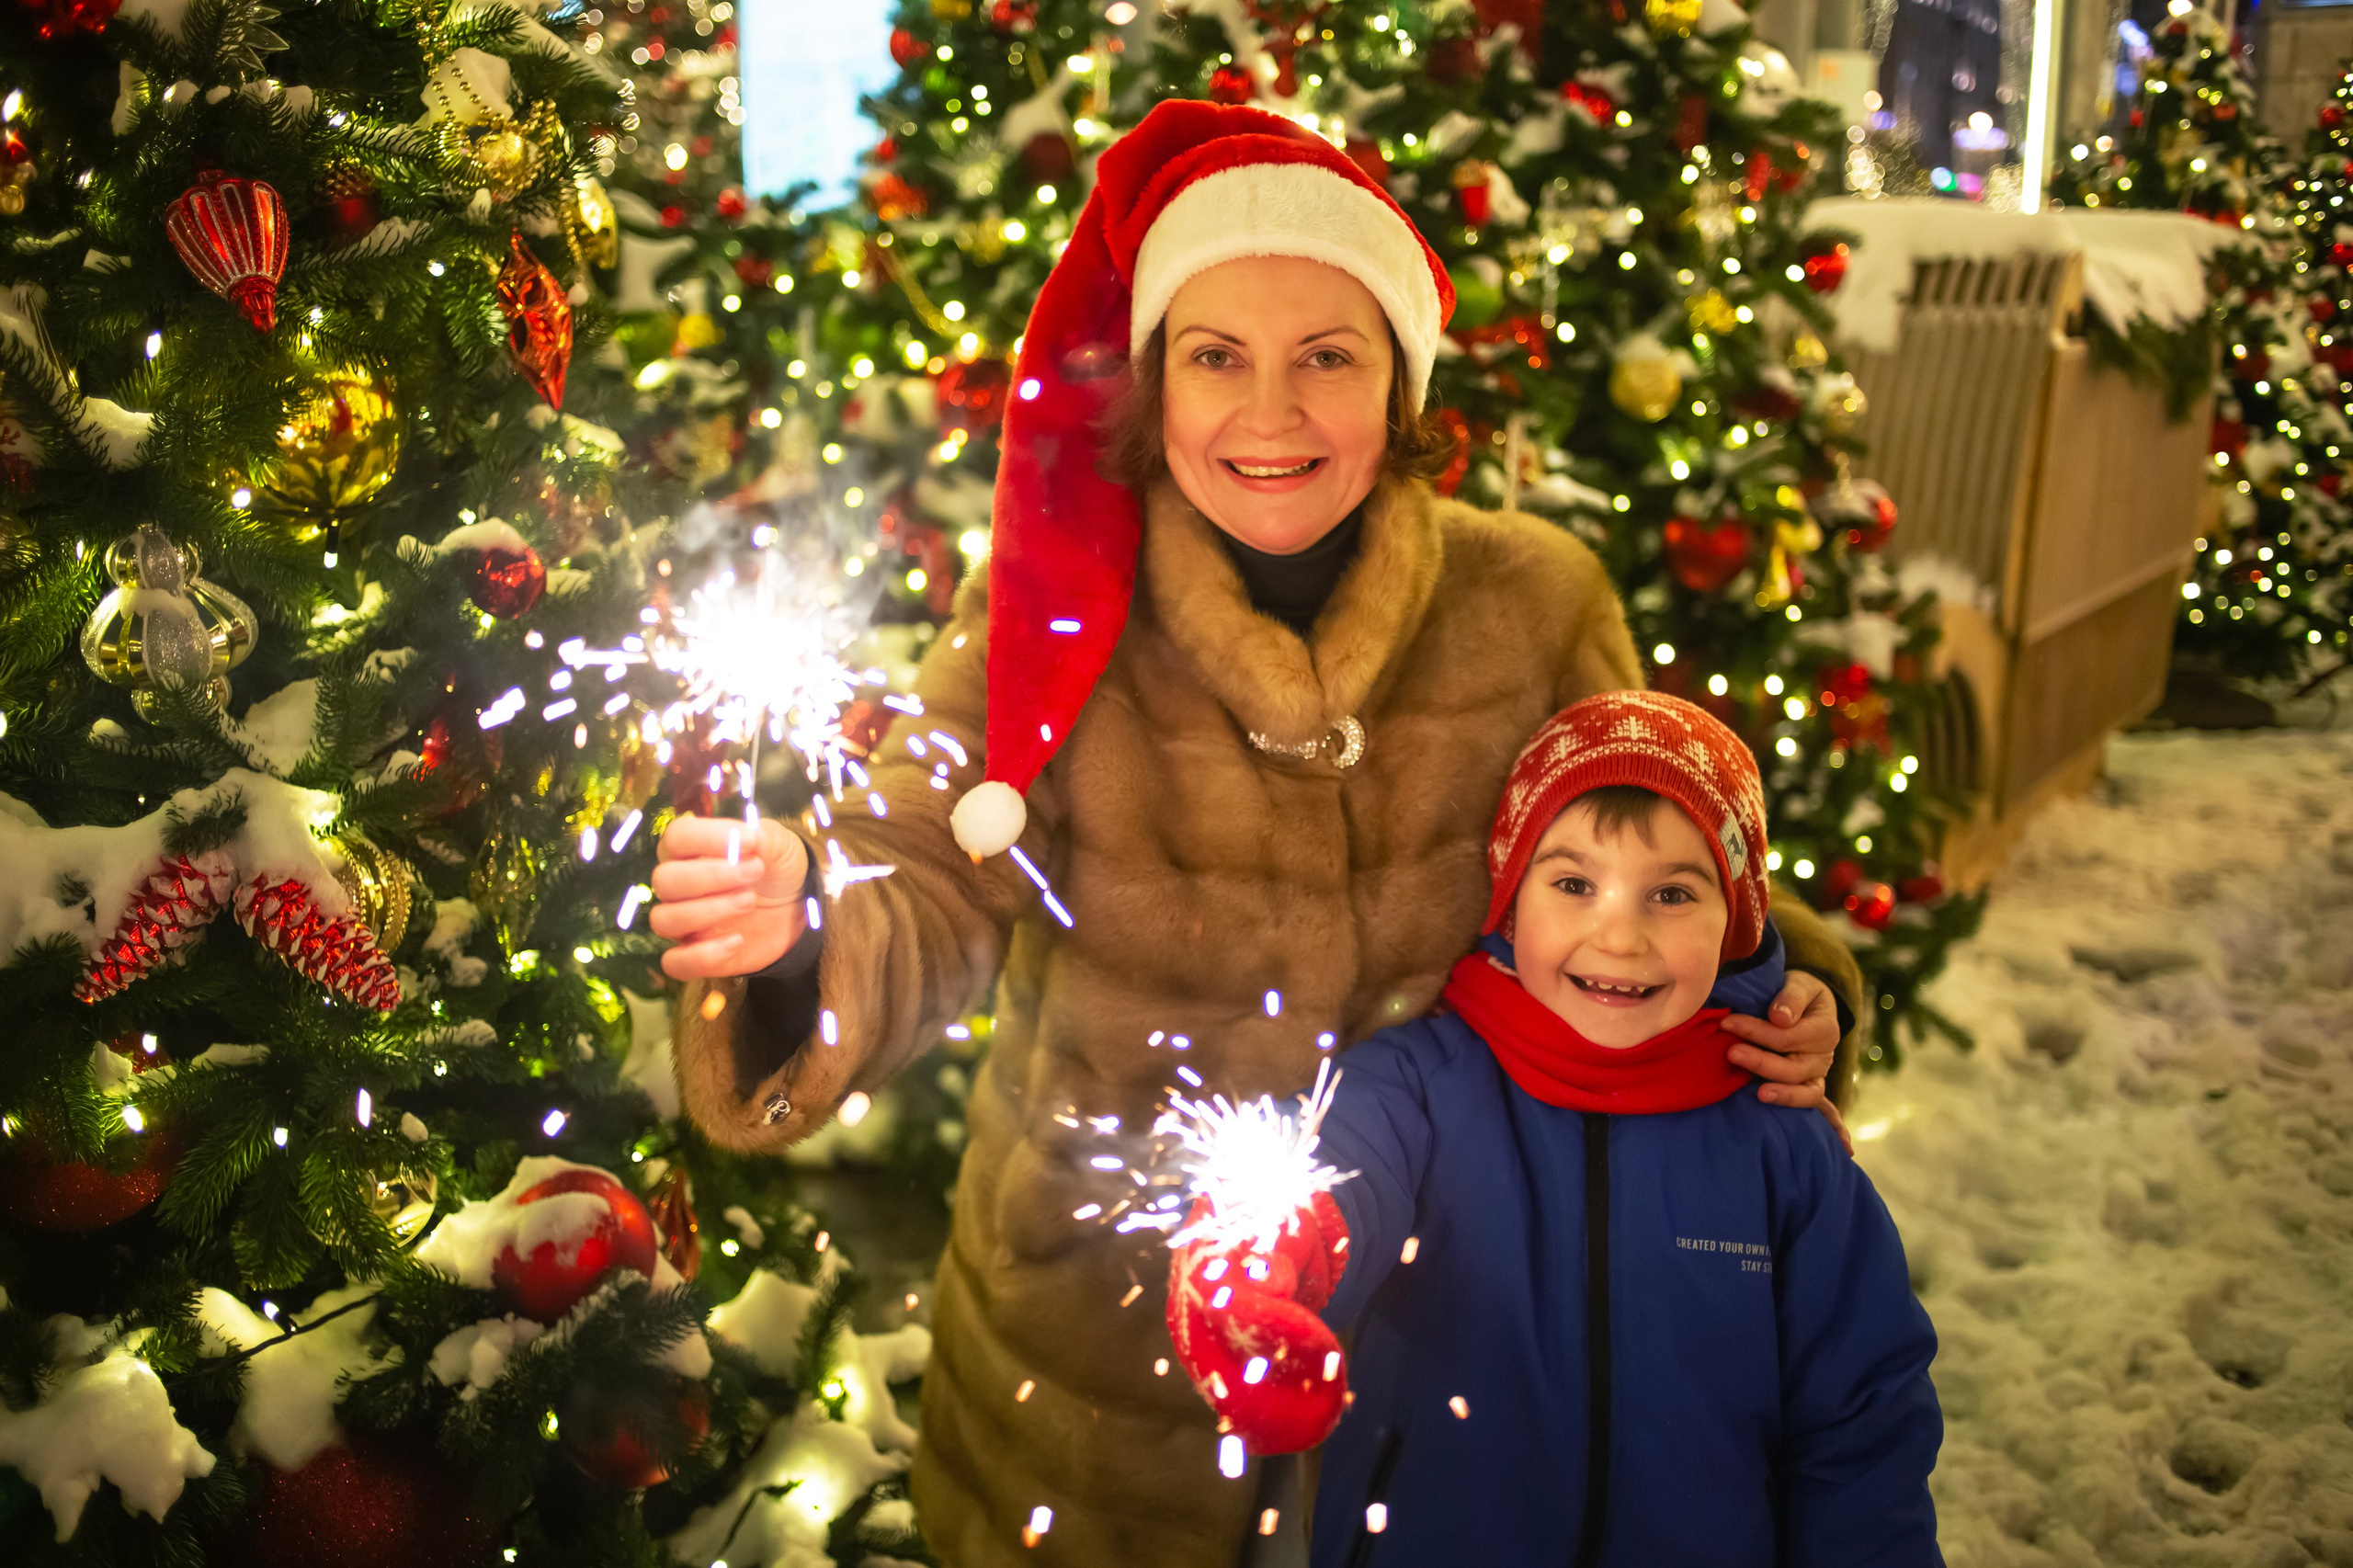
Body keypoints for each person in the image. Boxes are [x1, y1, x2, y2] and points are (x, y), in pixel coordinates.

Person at [647, 102, 1866, 1568]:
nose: (1269, 413)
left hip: (1469, 1359)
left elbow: (1669, 878)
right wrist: (803, 929)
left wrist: (1783, 996)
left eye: (1328, 357)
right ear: (1156, 382)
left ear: (1401, 383)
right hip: (1097, 1382)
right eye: (1217, 355)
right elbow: (919, 878)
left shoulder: (1533, 605)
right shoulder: (1050, 612)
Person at [1166, 691, 1942, 1566]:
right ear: (1509, 897)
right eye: (1573, 884)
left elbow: (1864, 1424)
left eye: (1673, 894)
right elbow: (1329, 1168)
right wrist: (1258, 1262)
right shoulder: (1422, 1085)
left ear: (1736, 922)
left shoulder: (1782, 1142)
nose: (1618, 935)